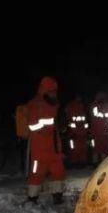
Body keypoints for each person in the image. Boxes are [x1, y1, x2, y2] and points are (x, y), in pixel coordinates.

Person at [24, 76, 65, 205]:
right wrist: (47, 125)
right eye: (52, 91)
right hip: (40, 149)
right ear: (46, 91)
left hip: (53, 148)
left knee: (58, 172)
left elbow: (54, 125)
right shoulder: (35, 104)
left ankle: (57, 197)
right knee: (36, 174)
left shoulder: (53, 104)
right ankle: (32, 198)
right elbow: (32, 126)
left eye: (55, 91)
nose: (54, 94)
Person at [64, 97, 89, 166]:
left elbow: (85, 122)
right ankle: (76, 162)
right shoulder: (71, 106)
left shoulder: (81, 108)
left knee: (80, 148)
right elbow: (68, 120)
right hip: (75, 134)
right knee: (75, 148)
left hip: (80, 133)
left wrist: (85, 131)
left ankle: (80, 162)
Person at [89, 92, 108, 163]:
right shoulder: (95, 105)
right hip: (96, 130)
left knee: (104, 147)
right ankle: (95, 163)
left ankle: (103, 162)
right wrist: (106, 114)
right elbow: (96, 115)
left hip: (105, 130)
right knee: (96, 148)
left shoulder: (107, 105)